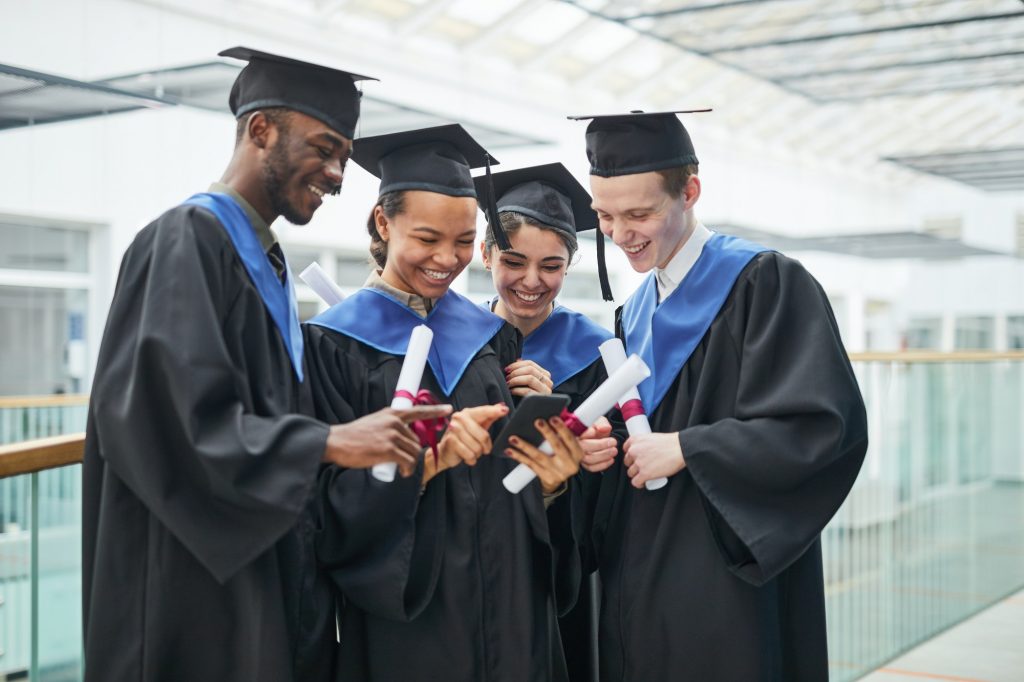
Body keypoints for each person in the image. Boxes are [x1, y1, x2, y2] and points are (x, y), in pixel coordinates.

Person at [82, 47, 450, 682]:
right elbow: (165, 421)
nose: (338, 173)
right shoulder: (186, 241)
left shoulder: (264, 260)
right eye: (325, 147)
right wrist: (329, 442)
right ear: (261, 131)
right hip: (189, 587)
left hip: (261, 576)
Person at [570, 110, 869, 681]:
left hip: (722, 579)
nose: (620, 233)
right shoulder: (631, 316)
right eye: (604, 216)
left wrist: (690, 447)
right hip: (638, 574)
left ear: (690, 191)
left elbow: (822, 428)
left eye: (639, 214)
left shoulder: (766, 283)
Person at [303, 125, 587, 682]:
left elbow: (518, 484)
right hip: (414, 625)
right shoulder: (332, 347)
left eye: (462, 242)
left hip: (515, 608)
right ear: (384, 223)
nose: (446, 259)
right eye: (428, 238)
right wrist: (422, 466)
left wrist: (552, 482)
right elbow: (321, 509)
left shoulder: (490, 337)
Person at [476, 162, 617, 682]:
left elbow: (610, 492)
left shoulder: (598, 354)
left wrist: (575, 436)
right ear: (486, 253)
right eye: (514, 260)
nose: (532, 282)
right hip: (475, 570)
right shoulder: (455, 344)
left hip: (562, 579)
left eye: (551, 266)